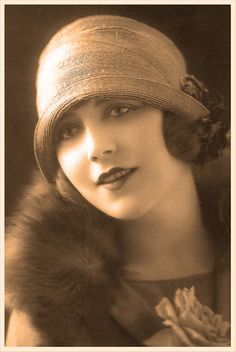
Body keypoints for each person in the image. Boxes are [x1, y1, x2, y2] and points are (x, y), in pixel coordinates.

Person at [5, 14, 230, 346]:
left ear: (179, 123)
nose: (96, 148)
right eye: (69, 131)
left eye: (120, 110)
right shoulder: (46, 314)